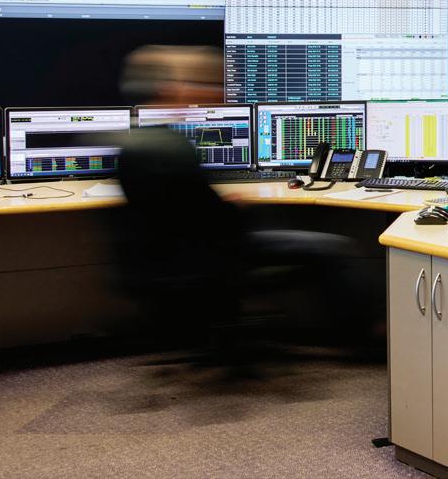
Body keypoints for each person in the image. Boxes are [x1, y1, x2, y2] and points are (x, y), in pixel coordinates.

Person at [115, 44, 368, 362]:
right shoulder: (173, 146)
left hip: (166, 259)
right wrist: (235, 207)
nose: (213, 93)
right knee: (335, 248)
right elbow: (216, 222)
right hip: (214, 255)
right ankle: (366, 338)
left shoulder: (135, 144)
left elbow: (181, 210)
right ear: (170, 89)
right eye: (201, 85)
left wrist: (221, 206)